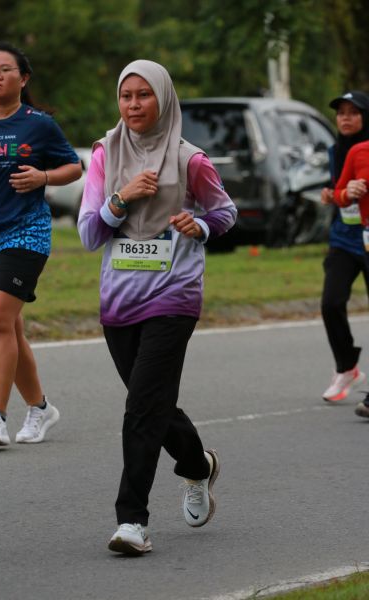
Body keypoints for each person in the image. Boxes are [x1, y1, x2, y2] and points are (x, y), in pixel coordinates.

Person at [78, 59, 237, 555]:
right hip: (119, 300)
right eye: (126, 96)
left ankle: (132, 521)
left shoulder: (191, 160)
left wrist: (201, 225)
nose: (133, 105)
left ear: (164, 99)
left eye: (144, 95)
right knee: (152, 403)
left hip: (174, 296)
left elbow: (225, 211)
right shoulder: (104, 154)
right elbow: (89, 234)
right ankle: (197, 465)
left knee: (141, 408)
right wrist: (120, 199)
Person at [0, 41, 82, 447]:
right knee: (10, 328)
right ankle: (40, 407)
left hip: (26, 231)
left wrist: (43, 177)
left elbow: (74, 166)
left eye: (5, 69)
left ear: (23, 78)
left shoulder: (39, 124)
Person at [320, 91, 369, 406]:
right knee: (331, 303)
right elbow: (336, 189)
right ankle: (346, 366)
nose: (346, 118)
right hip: (344, 238)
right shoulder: (336, 151)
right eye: (341, 113)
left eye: (353, 112)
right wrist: (335, 194)